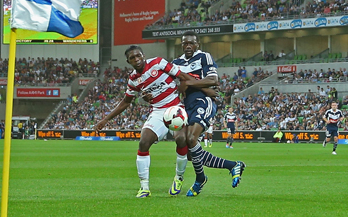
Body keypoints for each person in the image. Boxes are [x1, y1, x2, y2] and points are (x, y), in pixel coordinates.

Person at [96, 46, 196, 198]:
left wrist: (183, 87)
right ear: (128, 61)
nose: (136, 59)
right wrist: (105, 119)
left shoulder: (158, 63)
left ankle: (179, 178)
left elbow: (182, 76)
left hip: (175, 107)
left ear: (143, 55)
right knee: (143, 142)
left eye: (138, 56)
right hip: (157, 112)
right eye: (132, 58)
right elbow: (125, 102)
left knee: (181, 139)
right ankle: (144, 187)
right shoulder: (133, 80)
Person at [172, 35, 244, 197]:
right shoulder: (176, 63)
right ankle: (233, 165)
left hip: (202, 101)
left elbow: (213, 79)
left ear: (197, 44)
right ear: (182, 45)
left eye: (191, 43)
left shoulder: (204, 56)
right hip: (184, 106)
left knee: (191, 139)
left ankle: (199, 179)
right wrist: (200, 84)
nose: (188, 46)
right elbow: (177, 85)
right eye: (185, 43)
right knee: (186, 148)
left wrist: (189, 83)